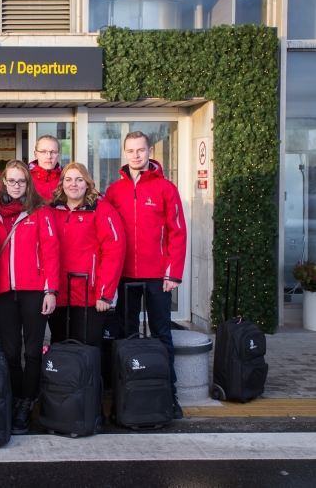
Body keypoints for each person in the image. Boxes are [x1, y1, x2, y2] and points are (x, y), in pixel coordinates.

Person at [104, 131, 187, 420]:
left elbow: (178, 232)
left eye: (140, 150)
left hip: (157, 276)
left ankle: (169, 395)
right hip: (125, 275)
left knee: (162, 334)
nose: (136, 155)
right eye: (130, 150)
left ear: (150, 151)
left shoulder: (166, 188)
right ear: (124, 153)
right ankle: (126, 394)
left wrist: (173, 273)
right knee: (125, 336)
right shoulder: (114, 191)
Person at [0, 160, 59, 435]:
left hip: (34, 291)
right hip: (3, 292)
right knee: (9, 352)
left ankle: (27, 402)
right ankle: (14, 398)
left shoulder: (40, 211)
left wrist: (50, 290)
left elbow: (51, 252)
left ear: (28, 183)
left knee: (32, 351)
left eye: (22, 181)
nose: (16, 186)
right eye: (12, 181)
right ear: (3, 182)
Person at [49, 162, 125, 348]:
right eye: (68, 180)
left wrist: (105, 294)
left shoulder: (102, 209)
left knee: (87, 348)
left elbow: (114, 252)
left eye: (79, 179)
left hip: (90, 296)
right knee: (60, 347)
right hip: (59, 294)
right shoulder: (51, 210)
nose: (73, 184)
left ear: (87, 183)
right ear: (62, 183)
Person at [29, 134, 63, 202]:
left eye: (53, 152)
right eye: (43, 152)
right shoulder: (25, 176)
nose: (49, 157)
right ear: (36, 154)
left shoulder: (67, 178)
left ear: (58, 155)